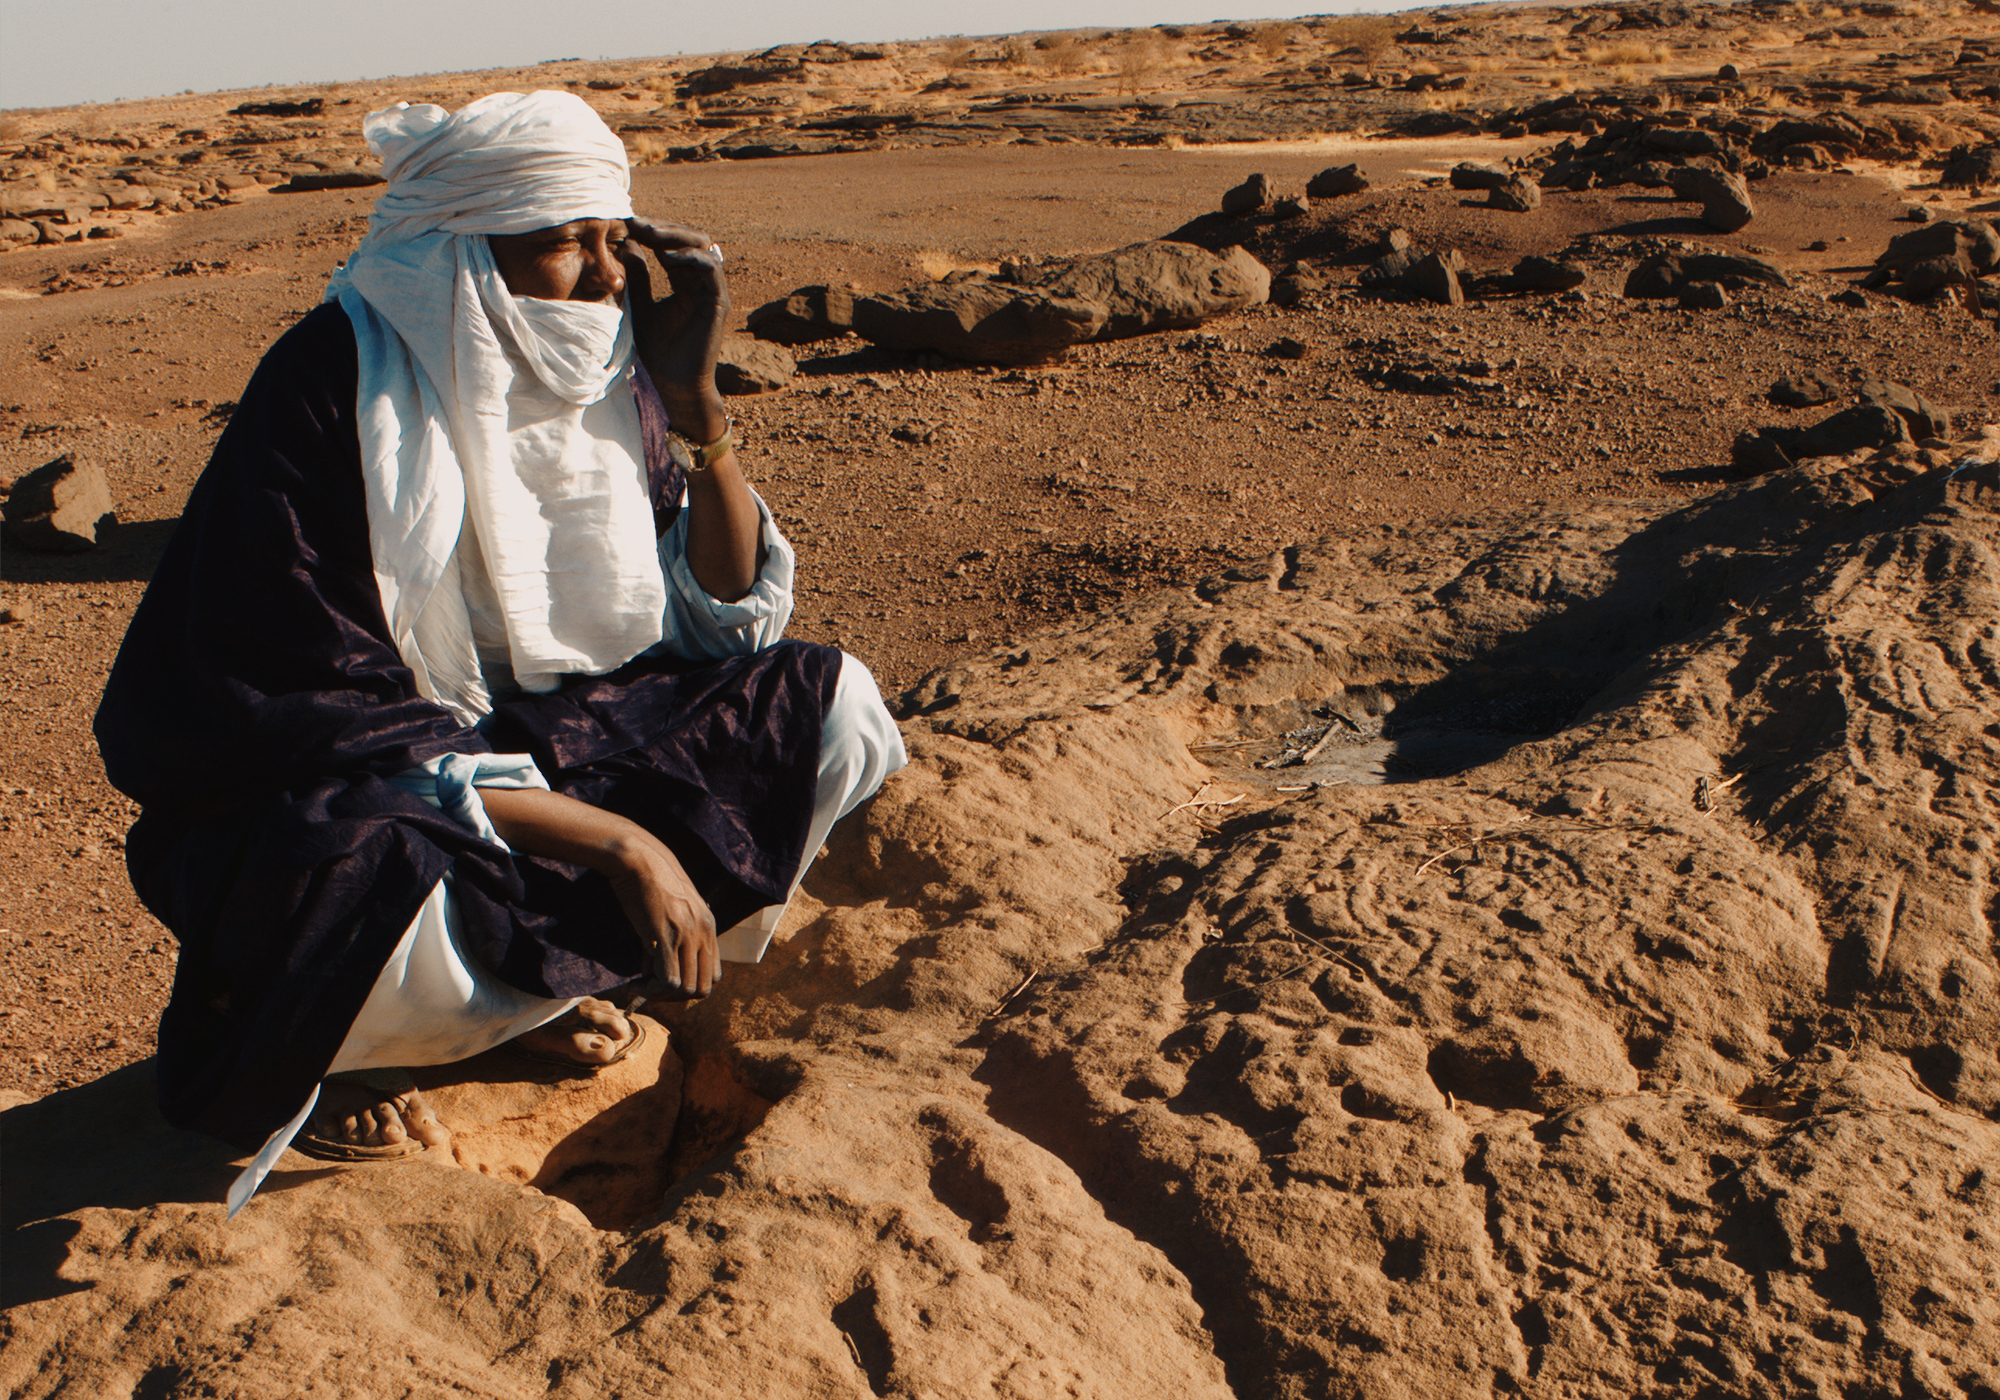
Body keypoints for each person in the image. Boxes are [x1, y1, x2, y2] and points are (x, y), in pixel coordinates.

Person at [93, 91, 905, 1213]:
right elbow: (316, 704)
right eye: (567, 244)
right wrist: (618, 840)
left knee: (828, 704)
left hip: (550, 740)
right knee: (351, 873)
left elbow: (720, 616)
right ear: (463, 256)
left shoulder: (618, 379)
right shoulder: (333, 385)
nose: (611, 277)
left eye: (614, 238)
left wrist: (692, 398)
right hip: (370, 776)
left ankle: (536, 990)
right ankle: (378, 1041)